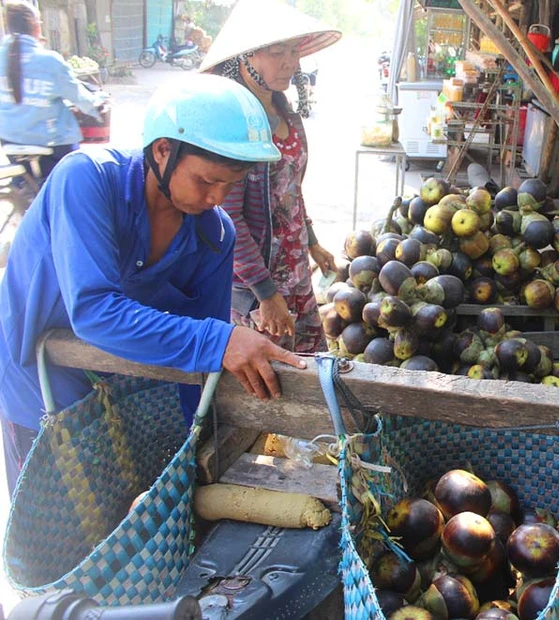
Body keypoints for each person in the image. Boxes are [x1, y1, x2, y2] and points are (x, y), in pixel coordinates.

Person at [0, 74, 307, 495]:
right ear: (163, 150)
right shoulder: (86, 180)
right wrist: (221, 341)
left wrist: (180, 455)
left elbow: (195, 370)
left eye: (230, 185)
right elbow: (94, 311)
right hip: (40, 389)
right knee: (58, 534)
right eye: (206, 181)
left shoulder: (213, 236)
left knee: (123, 523)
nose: (217, 198)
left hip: (124, 395)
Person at [200, 0, 341, 353]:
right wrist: (265, 293)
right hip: (255, 284)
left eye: (293, 51)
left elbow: (291, 190)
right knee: (271, 383)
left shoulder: (286, 113)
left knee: (310, 371)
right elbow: (227, 218)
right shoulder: (232, 123)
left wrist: (311, 241)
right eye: (277, 51)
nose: (291, 62)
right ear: (244, 58)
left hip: (294, 271)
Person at [0, 1, 103, 178]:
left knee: (23, 183)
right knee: (77, 176)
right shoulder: (49, 61)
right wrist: (96, 106)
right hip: (51, 142)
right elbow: (78, 96)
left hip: (9, 140)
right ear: (36, 27)